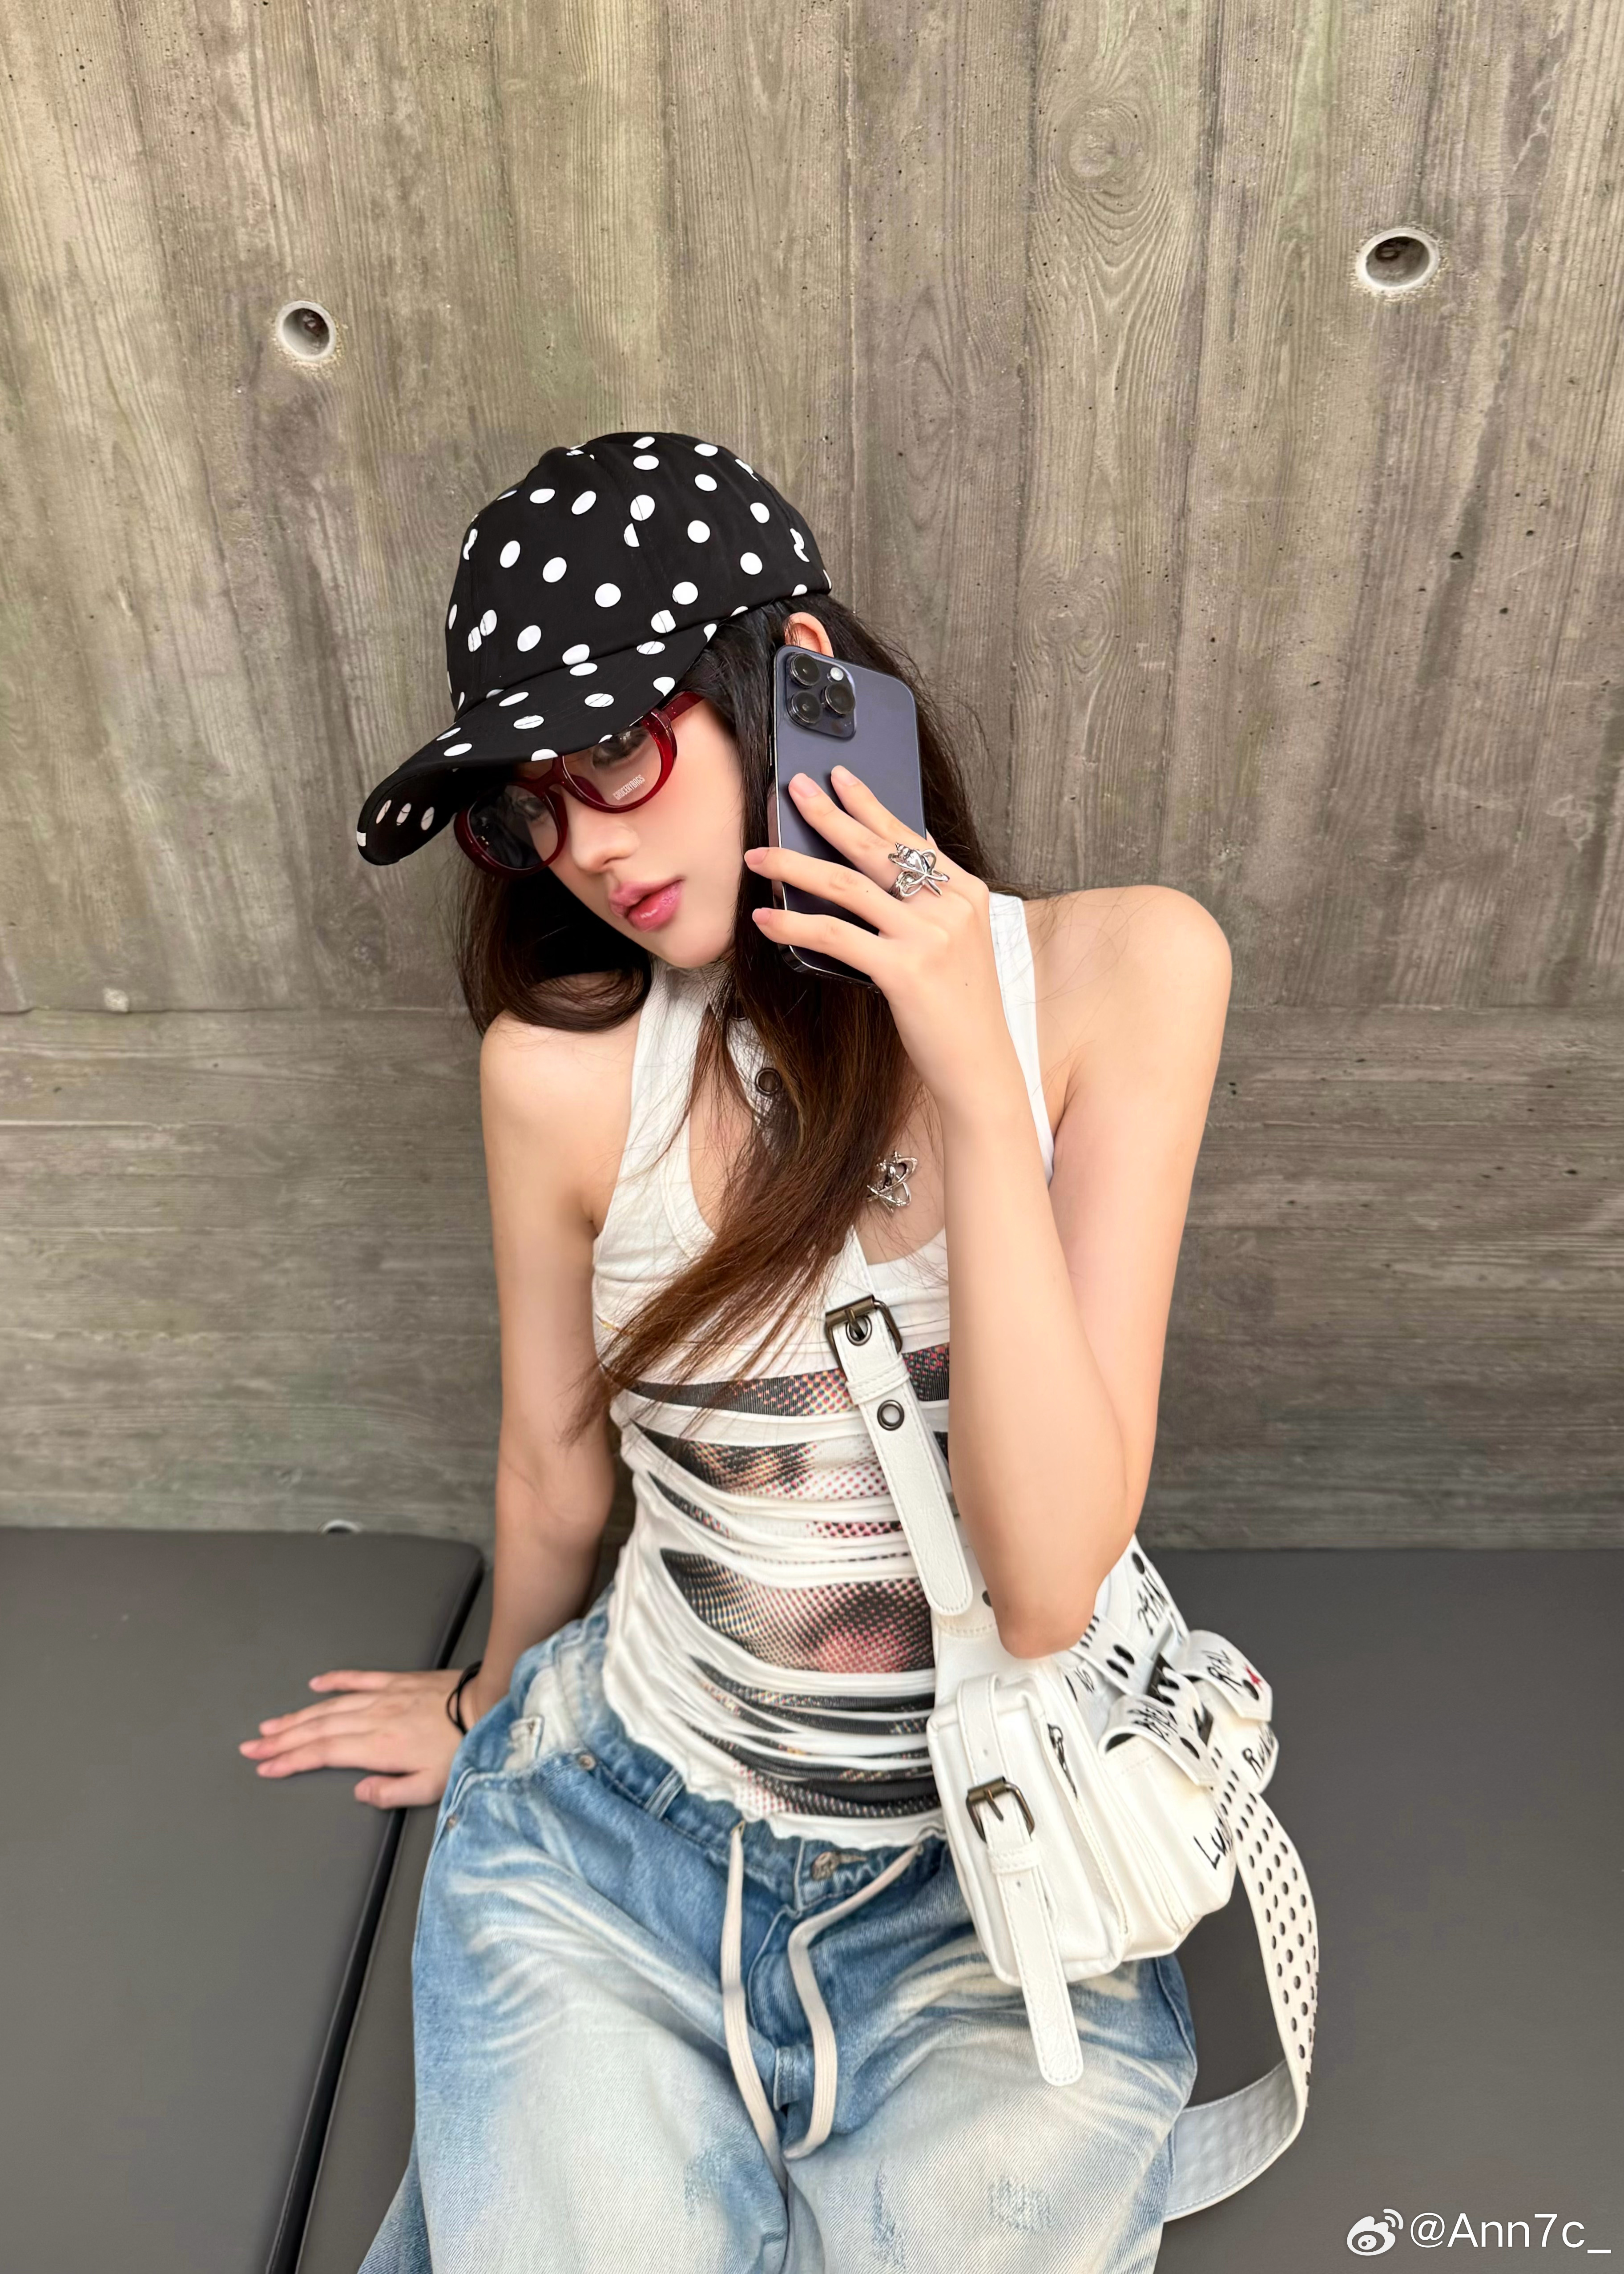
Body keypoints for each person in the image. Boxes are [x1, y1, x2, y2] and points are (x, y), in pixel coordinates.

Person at [241, 431, 1234, 2272]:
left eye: (615, 753)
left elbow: (1042, 1583)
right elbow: (553, 1463)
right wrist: (483, 1710)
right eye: (528, 809)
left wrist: (963, 1055)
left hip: (990, 1890)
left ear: (793, 678)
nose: (587, 849)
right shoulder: (559, 1071)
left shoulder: (1125, 977)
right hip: (616, 1846)